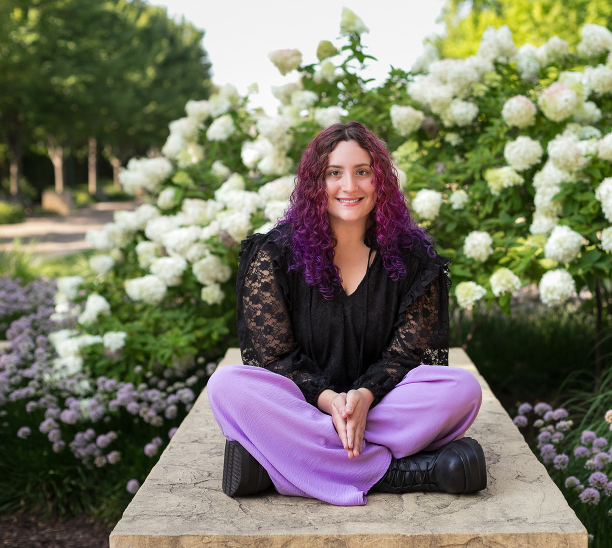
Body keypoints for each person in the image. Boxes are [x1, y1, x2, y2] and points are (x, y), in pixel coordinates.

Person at [206, 121, 485, 506]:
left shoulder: (416, 261)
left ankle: (280, 464)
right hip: (304, 405)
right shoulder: (273, 255)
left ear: (381, 180)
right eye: (333, 173)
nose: (349, 186)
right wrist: (330, 402)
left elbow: (404, 358)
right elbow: (275, 360)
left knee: (463, 390)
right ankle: (398, 472)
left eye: (362, 172)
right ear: (314, 183)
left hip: (381, 403)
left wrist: (363, 398)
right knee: (226, 385)